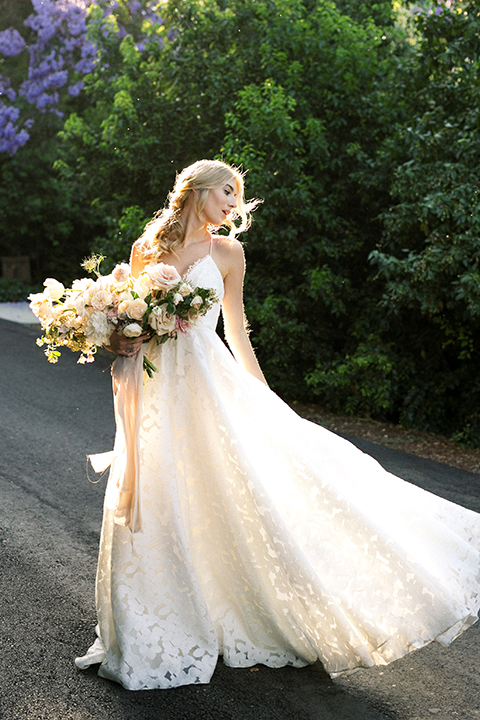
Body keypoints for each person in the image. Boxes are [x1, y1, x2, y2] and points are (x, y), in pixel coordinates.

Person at [76, 159, 480, 691]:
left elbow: (237, 330)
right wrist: (119, 339)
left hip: (207, 386)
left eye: (236, 197)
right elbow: (122, 319)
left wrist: (263, 397)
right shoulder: (145, 249)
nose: (232, 204)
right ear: (195, 189)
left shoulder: (228, 253)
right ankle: (147, 624)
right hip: (154, 390)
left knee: (240, 491)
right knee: (159, 494)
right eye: (226, 191)